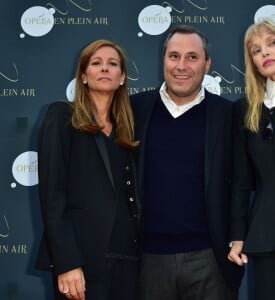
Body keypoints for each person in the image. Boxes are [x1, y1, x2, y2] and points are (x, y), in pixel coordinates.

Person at [130, 25, 244, 300]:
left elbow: (241, 182)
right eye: (174, 56)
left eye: (192, 57)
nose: (182, 66)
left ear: (207, 65)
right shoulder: (133, 109)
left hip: (211, 260)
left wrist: (237, 236)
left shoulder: (228, 114)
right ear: (164, 60)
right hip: (147, 261)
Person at [35, 39, 141, 300]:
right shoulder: (62, 116)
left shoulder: (129, 129)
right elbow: (52, 195)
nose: (105, 68)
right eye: (96, 63)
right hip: (82, 262)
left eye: (112, 64)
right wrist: (67, 262)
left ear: (122, 77)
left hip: (130, 260)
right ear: (83, 75)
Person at [228, 20, 275, 300]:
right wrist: (237, 234)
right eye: (256, 50)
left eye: (272, 43)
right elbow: (241, 181)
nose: (264, 53)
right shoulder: (245, 110)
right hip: (267, 236)